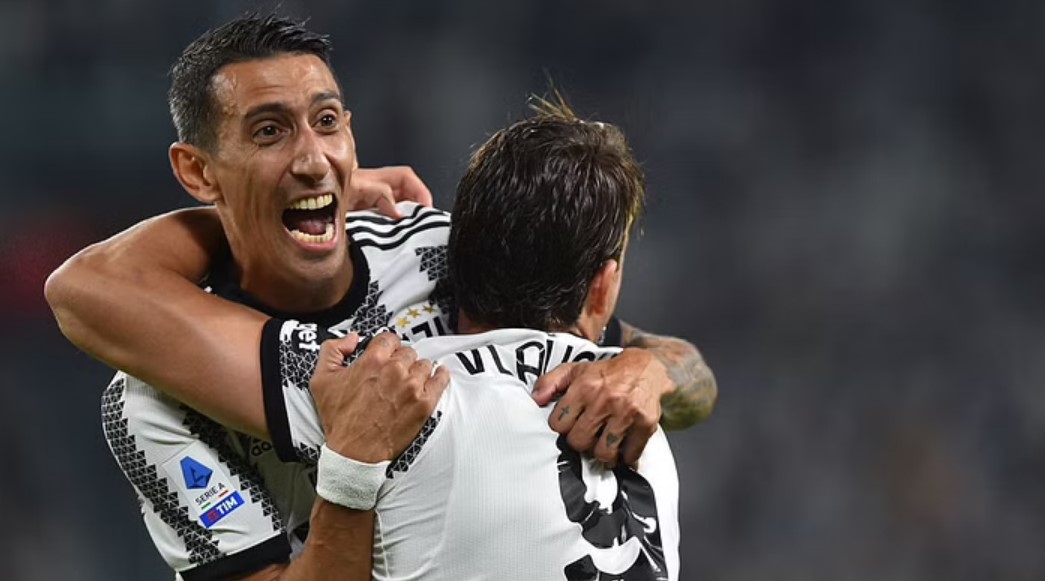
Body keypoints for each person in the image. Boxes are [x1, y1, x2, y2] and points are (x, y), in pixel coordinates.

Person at [44, 13, 715, 581]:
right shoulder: (159, 398)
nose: (314, 158)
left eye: (326, 123)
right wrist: (351, 469)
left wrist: (646, 371)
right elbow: (81, 288)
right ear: (196, 169)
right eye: (270, 131)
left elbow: (673, 368)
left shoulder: (434, 247)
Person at [288, 98, 682, 579]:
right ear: (603, 286)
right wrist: (648, 366)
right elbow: (699, 384)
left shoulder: (384, 398)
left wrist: (308, 196)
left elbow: (191, 335)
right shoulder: (642, 424)